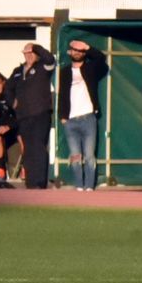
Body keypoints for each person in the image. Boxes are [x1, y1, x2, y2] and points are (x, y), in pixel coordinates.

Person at [57, 38, 106, 190]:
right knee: (75, 156)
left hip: (88, 119)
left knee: (89, 155)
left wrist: (86, 46)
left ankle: (89, 186)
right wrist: (63, 117)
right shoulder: (64, 72)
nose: (77, 53)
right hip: (70, 120)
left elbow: (101, 58)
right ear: (69, 52)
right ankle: (79, 185)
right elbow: (62, 95)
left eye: (80, 51)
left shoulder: (90, 69)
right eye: (74, 50)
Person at [8, 42, 56, 188]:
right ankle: (30, 181)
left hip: (40, 114)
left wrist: (36, 47)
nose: (28, 56)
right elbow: (8, 88)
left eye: (31, 53)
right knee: (28, 148)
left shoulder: (43, 66)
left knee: (38, 146)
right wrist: (13, 102)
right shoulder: (17, 70)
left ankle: (39, 182)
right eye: (26, 53)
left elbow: (50, 59)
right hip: (23, 116)